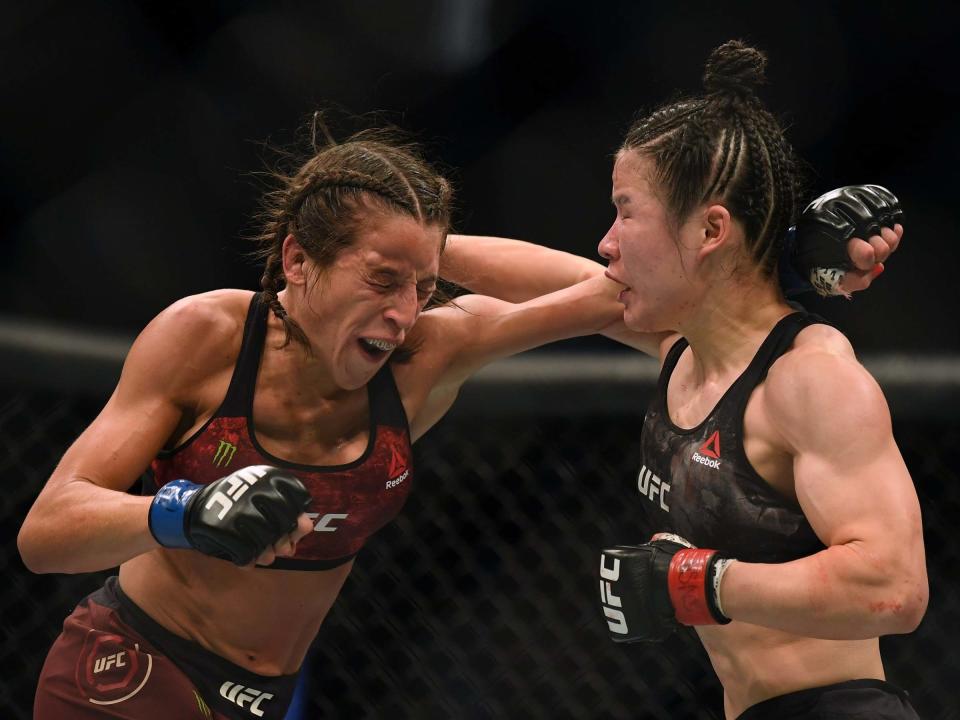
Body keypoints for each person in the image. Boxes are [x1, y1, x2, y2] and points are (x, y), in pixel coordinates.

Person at [18, 110, 900, 718]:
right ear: (296, 259)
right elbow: (46, 530)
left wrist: (777, 259)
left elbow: (616, 296)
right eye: (379, 281)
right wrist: (180, 513)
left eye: (424, 286)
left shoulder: (429, 355)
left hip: (274, 696)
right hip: (133, 674)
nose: (405, 312)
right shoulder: (207, 339)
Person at [443, 41, 923, 720]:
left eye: (626, 211)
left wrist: (698, 583)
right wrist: (411, 251)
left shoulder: (810, 382)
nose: (607, 241)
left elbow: (896, 587)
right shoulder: (683, 347)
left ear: (709, 229)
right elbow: (553, 275)